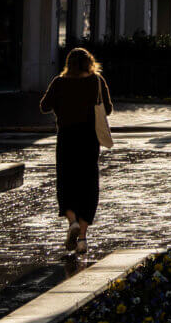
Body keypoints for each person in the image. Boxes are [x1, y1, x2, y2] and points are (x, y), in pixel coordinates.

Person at [38, 47, 115, 251]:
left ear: (68, 63)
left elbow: (44, 106)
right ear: (90, 62)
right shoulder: (97, 81)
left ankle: (72, 221)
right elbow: (108, 109)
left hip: (67, 138)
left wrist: (63, 105)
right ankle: (82, 238)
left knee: (66, 182)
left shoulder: (59, 82)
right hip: (89, 139)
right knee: (88, 185)